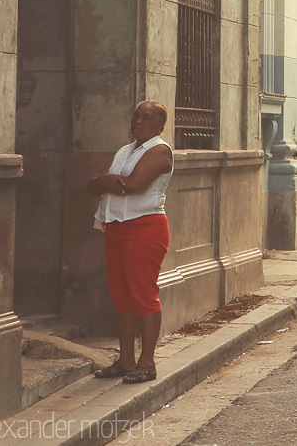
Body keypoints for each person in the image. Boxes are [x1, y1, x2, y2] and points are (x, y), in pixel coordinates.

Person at [87, 101, 175, 384]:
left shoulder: (160, 150)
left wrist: (105, 181)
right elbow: (93, 187)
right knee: (122, 297)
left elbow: (134, 185)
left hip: (145, 229)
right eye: (136, 116)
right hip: (116, 229)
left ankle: (147, 363)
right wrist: (106, 180)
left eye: (146, 118)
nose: (138, 121)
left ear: (160, 125)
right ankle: (126, 360)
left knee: (143, 295)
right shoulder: (125, 151)